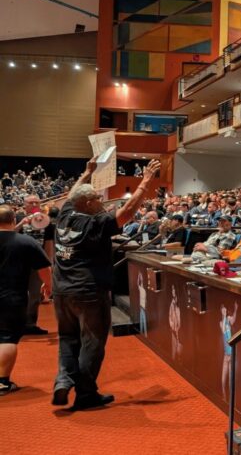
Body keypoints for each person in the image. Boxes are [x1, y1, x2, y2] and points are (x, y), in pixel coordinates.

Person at [52, 157, 161, 409]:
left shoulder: (65, 215)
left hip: (62, 291)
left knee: (67, 338)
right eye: (98, 199)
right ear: (89, 203)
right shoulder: (95, 223)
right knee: (93, 342)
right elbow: (127, 212)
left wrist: (87, 172)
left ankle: (63, 380)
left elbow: (72, 193)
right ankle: (86, 393)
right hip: (89, 291)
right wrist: (145, 182)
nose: (102, 202)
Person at [0, 205, 52, 395]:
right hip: (12, 297)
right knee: (7, 338)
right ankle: (2, 382)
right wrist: (48, 286)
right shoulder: (26, 242)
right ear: (13, 220)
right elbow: (45, 268)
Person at [14, 193, 54, 335]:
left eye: (37, 202)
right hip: (18, 263)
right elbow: (7, 235)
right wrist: (21, 223)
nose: (34, 205)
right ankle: (16, 324)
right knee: (17, 294)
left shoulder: (46, 221)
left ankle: (30, 324)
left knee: (35, 295)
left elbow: (49, 244)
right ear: (24, 205)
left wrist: (50, 264)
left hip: (37, 264)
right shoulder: (17, 218)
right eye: (31, 203)